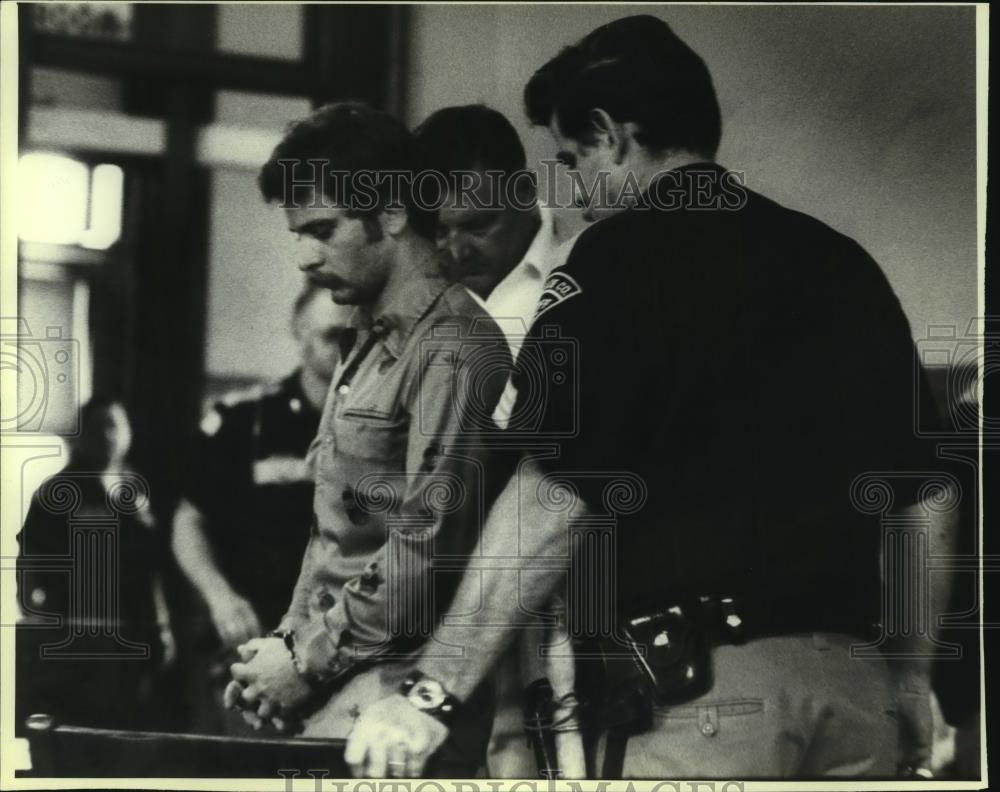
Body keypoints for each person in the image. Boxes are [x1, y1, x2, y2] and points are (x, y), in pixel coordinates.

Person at [344, 15, 958, 779]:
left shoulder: (613, 257)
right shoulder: (841, 262)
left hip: (705, 707)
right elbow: (924, 498)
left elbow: (552, 498)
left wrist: (432, 693)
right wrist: (910, 675)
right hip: (859, 700)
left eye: (571, 159)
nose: (578, 191)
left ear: (608, 133)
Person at [224, 102, 510, 777]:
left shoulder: (453, 346)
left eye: (322, 230)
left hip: (397, 698)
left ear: (391, 213)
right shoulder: (368, 339)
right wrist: (282, 652)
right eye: (298, 233)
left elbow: (427, 546)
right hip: (340, 680)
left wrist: (303, 660)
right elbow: (331, 538)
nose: (303, 256)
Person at [414, 104, 582, 778]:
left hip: (570, 588)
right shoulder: (425, 301)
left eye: (477, 225)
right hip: (448, 594)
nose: (455, 249)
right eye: (439, 229)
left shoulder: (587, 278)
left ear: (524, 194)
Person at [172, 283, 350, 732]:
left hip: (341, 640)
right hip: (253, 632)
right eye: (332, 337)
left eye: (354, 338)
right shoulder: (245, 418)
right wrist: (219, 596)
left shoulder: (382, 424)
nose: (345, 351)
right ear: (299, 332)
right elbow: (188, 518)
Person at [16, 397, 173, 731]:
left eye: (116, 425)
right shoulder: (56, 492)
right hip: (77, 636)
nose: (109, 435)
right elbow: (30, 562)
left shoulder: (136, 491)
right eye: (99, 426)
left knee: (127, 728)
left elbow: (151, 569)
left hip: (131, 631)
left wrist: (162, 625)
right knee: (79, 729)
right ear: (81, 434)